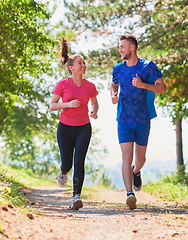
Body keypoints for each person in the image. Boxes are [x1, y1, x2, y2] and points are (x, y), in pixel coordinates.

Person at [110, 34, 166, 210]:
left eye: (122, 47)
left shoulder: (147, 66)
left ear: (132, 48)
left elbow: (162, 88)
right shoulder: (118, 68)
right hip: (124, 119)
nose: (120, 49)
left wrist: (143, 85)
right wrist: (113, 93)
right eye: (119, 47)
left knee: (140, 159)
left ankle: (136, 171)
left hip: (142, 119)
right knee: (126, 155)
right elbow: (113, 84)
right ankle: (129, 194)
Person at [50, 37, 99, 210]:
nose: (83, 65)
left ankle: (76, 196)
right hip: (65, 128)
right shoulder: (62, 84)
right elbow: (52, 106)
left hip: (83, 128)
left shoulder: (90, 86)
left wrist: (94, 111)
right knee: (68, 163)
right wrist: (68, 104)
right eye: (80, 63)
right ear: (71, 68)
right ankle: (63, 172)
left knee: (79, 161)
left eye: (84, 63)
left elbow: (94, 102)